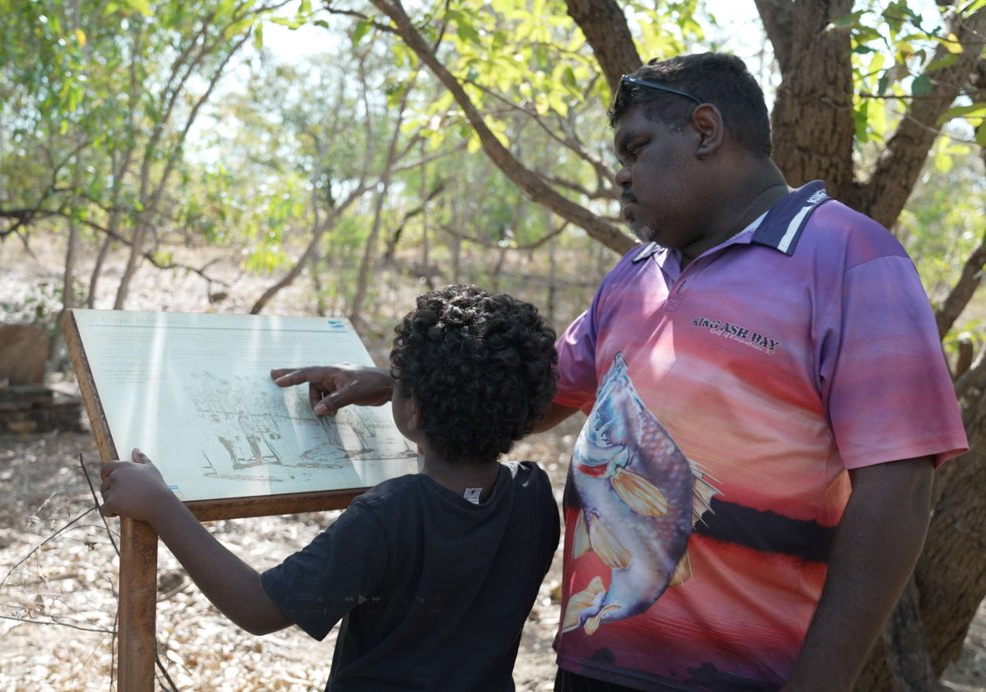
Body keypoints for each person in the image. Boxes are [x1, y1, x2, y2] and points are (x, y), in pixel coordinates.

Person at [269, 53, 968, 691]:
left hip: (748, 677)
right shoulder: (635, 276)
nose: (621, 174)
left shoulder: (850, 258)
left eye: (637, 148)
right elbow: (535, 388)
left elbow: (898, 488)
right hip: (594, 665)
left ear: (704, 130)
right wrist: (397, 381)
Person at [102, 284, 562, 690]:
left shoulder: (391, 513)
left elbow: (260, 608)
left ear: (414, 410)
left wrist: (161, 505)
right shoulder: (535, 496)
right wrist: (406, 386)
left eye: (396, 381)